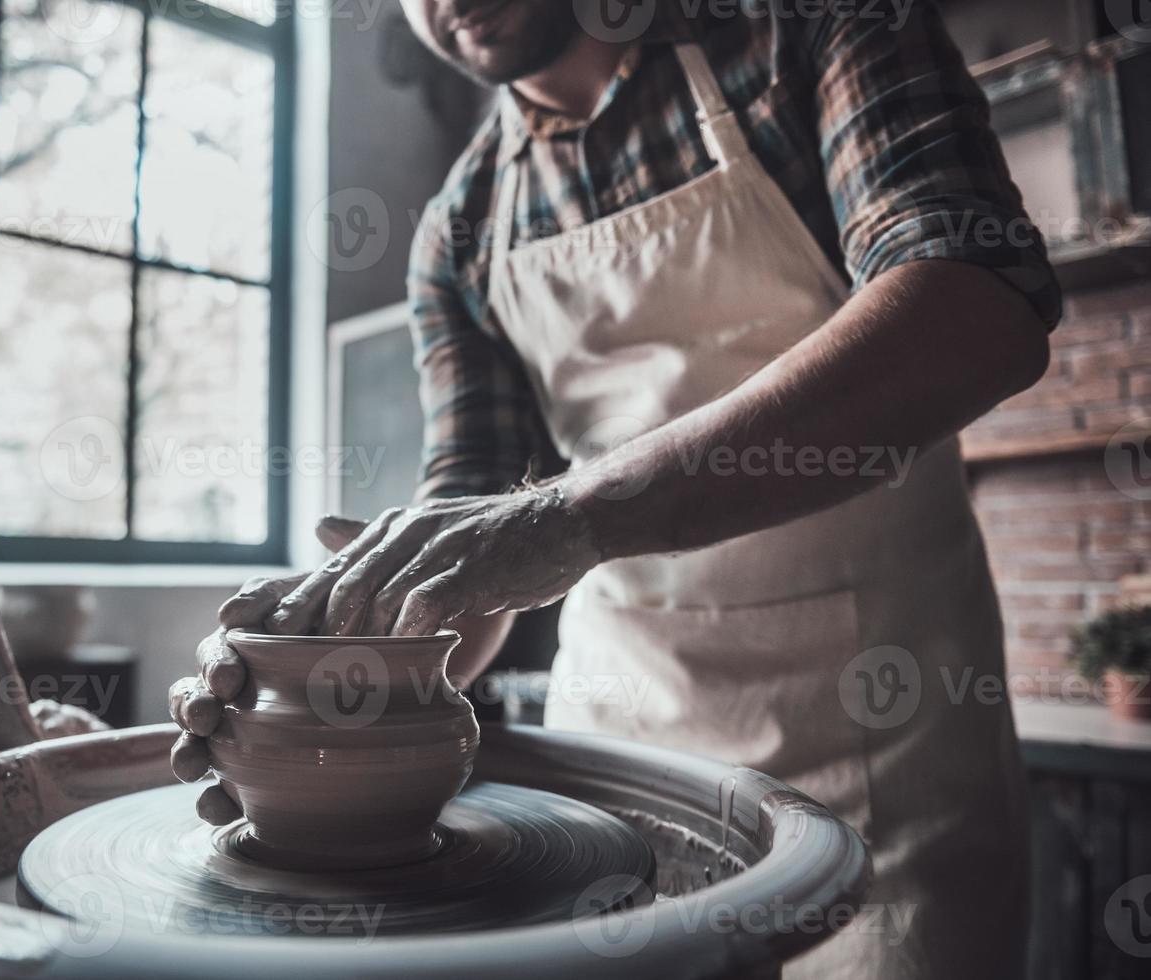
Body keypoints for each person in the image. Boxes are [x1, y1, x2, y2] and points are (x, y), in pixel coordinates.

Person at [171, 2, 1061, 974]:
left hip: (878, 724)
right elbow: (468, 521)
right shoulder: (459, 228)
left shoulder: (811, 31)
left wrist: (567, 517)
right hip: (621, 728)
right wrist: (315, 683)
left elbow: (971, 301)